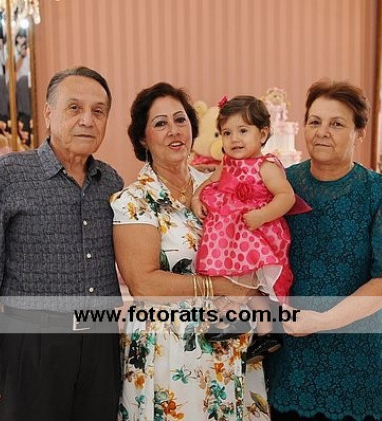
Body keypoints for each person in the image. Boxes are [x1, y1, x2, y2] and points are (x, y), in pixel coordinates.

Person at [0, 66, 124, 420]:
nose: (87, 120)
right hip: (30, 347)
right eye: (74, 108)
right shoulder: (8, 175)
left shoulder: (111, 182)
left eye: (98, 111)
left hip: (101, 347)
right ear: (47, 113)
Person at [111, 82, 270, 420]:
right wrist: (222, 286)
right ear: (143, 138)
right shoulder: (134, 201)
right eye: (160, 123)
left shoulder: (220, 184)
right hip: (170, 352)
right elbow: (145, 284)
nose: (174, 130)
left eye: (180, 119)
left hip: (231, 341)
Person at [264, 79, 382, 421]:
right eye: (314, 121)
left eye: (336, 124)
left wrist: (323, 321)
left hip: (357, 357)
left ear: (359, 133)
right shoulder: (282, 186)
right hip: (293, 356)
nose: (322, 132)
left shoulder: (380, 192)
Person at [191, 95, 309, 362]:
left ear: (263, 134)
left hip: (255, 233)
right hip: (230, 236)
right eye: (227, 133)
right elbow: (209, 183)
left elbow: (286, 197)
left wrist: (262, 215)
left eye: (243, 131)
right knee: (242, 283)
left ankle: (234, 317)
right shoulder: (226, 163)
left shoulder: (266, 166)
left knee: (240, 279)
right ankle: (266, 333)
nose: (234, 139)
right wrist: (197, 198)